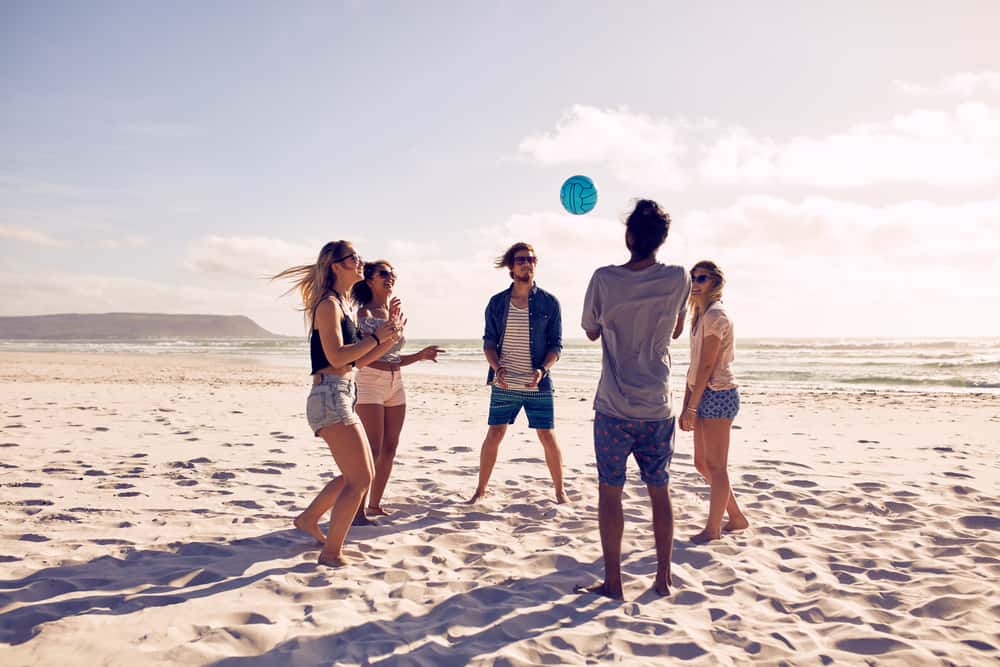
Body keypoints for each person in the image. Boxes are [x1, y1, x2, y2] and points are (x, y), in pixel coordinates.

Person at [580, 199, 689, 598]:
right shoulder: (679, 277)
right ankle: (662, 579)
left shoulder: (603, 279)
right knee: (659, 489)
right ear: (661, 239)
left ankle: (614, 582)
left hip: (614, 404)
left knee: (610, 491)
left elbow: (591, 331)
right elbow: (676, 331)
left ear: (628, 236)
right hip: (657, 406)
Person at [272, 240, 404, 567]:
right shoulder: (328, 305)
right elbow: (335, 357)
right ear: (336, 266)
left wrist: (389, 336)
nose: (360, 261)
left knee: (357, 474)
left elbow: (358, 361)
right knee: (360, 478)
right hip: (329, 395)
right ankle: (331, 553)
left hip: (343, 391)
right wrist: (377, 337)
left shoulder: (342, 304)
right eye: (353, 258)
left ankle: (308, 519)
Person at [468, 242, 567, 504]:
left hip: (537, 383)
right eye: (521, 259)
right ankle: (480, 491)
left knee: (547, 435)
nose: (527, 263)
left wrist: (542, 370)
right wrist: (497, 368)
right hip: (505, 383)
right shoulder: (497, 303)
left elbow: (556, 345)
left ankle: (560, 492)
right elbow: (489, 343)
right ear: (511, 266)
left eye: (531, 259)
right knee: (495, 433)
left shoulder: (549, 302)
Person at [350, 259, 444, 522]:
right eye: (383, 273)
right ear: (370, 280)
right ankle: (356, 510)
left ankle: (374, 505)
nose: (389, 277)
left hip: (396, 383)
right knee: (373, 449)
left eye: (392, 274)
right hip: (369, 382)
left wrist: (420, 355)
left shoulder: (392, 314)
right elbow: (366, 357)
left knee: (390, 448)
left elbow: (392, 357)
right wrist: (391, 329)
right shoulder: (363, 315)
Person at [679, 260, 748, 544]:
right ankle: (737, 517)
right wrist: (686, 404)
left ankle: (713, 529)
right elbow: (694, 366)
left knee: (717, 466)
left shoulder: (716, 315)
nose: (695, 283)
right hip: (702, 392)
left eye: (702, 278)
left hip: (719, 393)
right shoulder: (700, 316)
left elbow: (707, 366)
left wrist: (691, 407)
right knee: (702, 463)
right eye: (692, 278)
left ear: (715, 283)